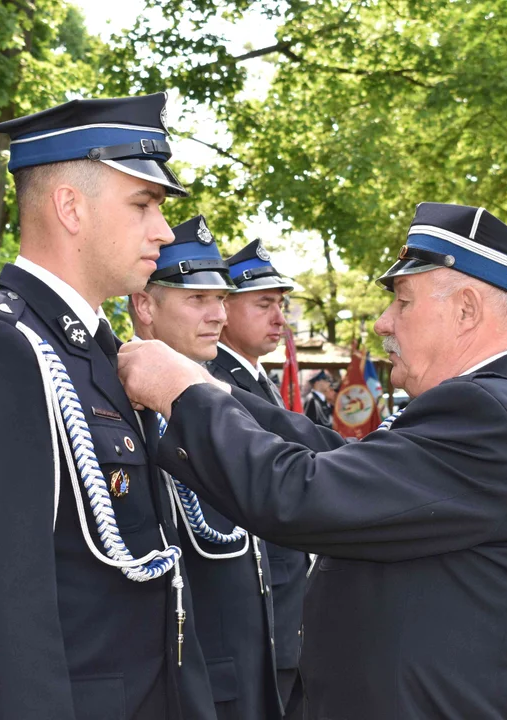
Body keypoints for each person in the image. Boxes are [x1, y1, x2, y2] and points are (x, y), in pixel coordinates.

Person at [118, 202, 507, 718]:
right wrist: (214, 390)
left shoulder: (491, 415)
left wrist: (183, 393)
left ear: (466, 309)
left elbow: (301, 493)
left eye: (402, 302)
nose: (382, 323)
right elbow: (346, 463)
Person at [0, 93, 218, 720]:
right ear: (69, 207)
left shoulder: (101, 352)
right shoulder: (5, 346)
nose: (163, 231)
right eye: (143, 204)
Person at [128, 215, 281, 720]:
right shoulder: (119, 407)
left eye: (221, 299)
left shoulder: (220, 398)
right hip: (184, 683)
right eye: (198, 299)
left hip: (248, 666)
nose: (219, 314)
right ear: (144, 305)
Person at [205, 239, 305, 716]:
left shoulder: (253, 380)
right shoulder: (215, 382)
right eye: (264, 304)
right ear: (224, 309)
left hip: (283, 610)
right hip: (252, 616)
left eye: (280, 305)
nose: (280, 319)